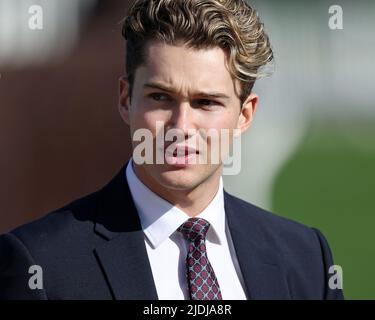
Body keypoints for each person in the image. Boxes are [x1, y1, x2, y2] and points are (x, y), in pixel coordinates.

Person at [0, 0, 343, 300]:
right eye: (161, 97)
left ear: (244, 115)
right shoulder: (41, 264)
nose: (181, 126)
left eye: (206, 102)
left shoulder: (307, 259)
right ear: (125, 99)